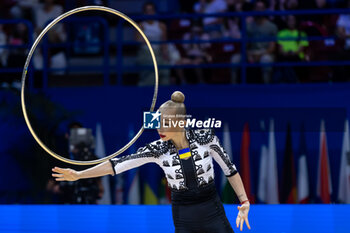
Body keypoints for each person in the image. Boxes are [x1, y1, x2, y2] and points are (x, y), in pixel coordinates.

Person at [52, 91, 251, 232]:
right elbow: (117, 165)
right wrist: (79, 174)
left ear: (181, 122)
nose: (159, 128)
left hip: (212, 210)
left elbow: (230, 170)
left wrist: (244, 200)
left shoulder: (205, 138)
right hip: (183, 214)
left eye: (166, 123)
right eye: (158, 122)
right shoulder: (158, 149)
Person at [231, 0, 278, 84]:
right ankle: (234, 87)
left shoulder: (272, 26)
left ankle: (267, 87)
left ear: (265, 10)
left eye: (261, 8)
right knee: (235, 59)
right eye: (257, 8)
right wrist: (248, 54)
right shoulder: (248, 26)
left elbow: (272, 47)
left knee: (265, 60)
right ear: (254, 9)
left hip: (265, 52)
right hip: (251, 52)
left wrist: (260, 55)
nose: (259, 10)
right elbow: (245, 44)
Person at [136, 2, 170, 86]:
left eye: (151, 10)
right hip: (146, 53)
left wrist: (165, 53)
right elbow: (138, 41)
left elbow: (164, 41)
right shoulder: (141, 25)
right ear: (144, 13)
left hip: (159, 52)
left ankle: (164, 90)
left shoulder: (161, 25)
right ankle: (145, 87)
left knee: (165, 66)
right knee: (154, 66)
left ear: (154, 11)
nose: (149, 13)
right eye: (147, 11)